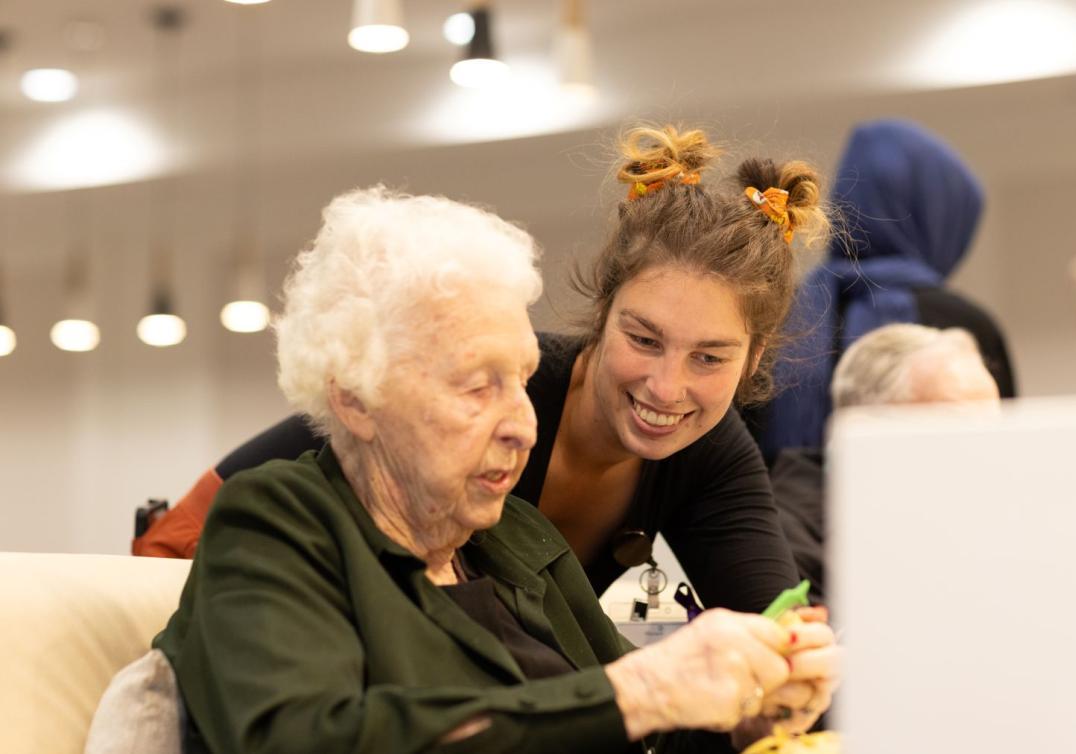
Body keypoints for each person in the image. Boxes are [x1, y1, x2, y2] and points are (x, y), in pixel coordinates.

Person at [123, 187, 840, 753]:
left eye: (524, 379)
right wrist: (642, 691)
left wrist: (746, 719)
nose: (527, 421)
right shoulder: (279, 524)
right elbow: (303, 737)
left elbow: (631, 725)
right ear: (356, 396)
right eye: (478, 386)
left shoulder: (518, 538)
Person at [134, 124, 832, 615]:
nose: (666, 387)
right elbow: (324, 424)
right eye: (644, 339)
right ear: (602, 309)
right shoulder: (507, 381)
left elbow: (766, 621)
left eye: (709, 357)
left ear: (754, 361)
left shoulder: (713, 456)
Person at [748, 118, 1016, 462]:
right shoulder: (963, 325)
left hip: (778, 512)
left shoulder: (774, 313)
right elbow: (1003, 460)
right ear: (938, 219)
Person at [774, 323, 1000, 605]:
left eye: (994, 428)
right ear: (867, 427)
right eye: (959, 426)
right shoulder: (782, 538)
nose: (987, 450)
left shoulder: (984, 519)